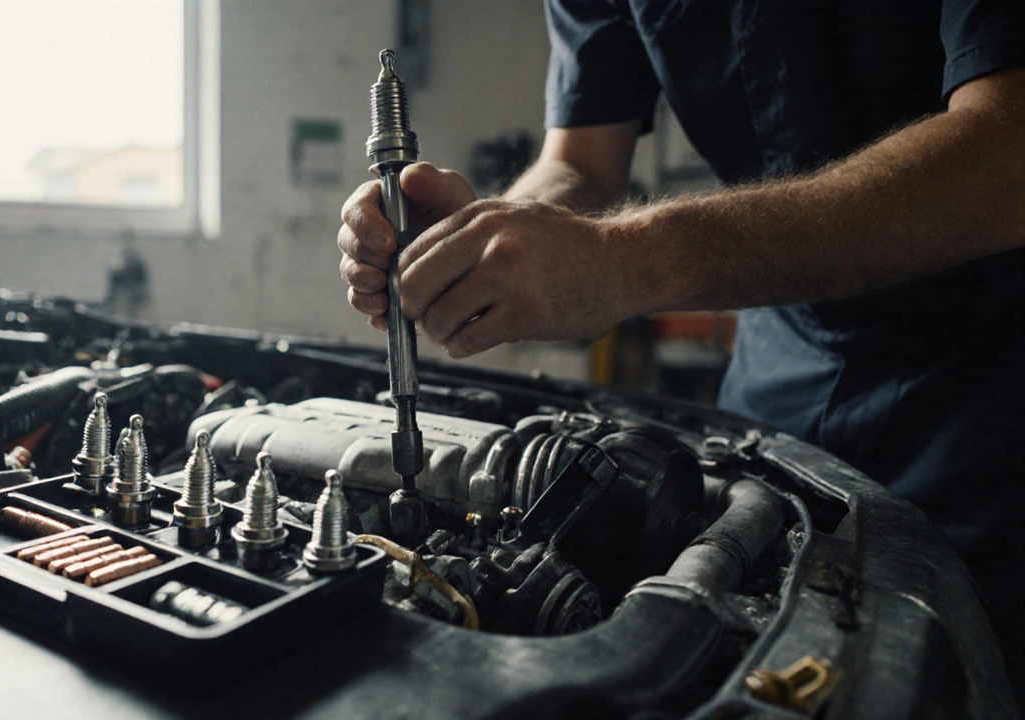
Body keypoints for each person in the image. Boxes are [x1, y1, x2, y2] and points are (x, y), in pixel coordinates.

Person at [337, 0, 1024, 703]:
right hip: (781, 371)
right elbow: (578, 164)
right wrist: (483, 241)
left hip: (991, 395)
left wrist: (627, 259)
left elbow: (1008, 155)